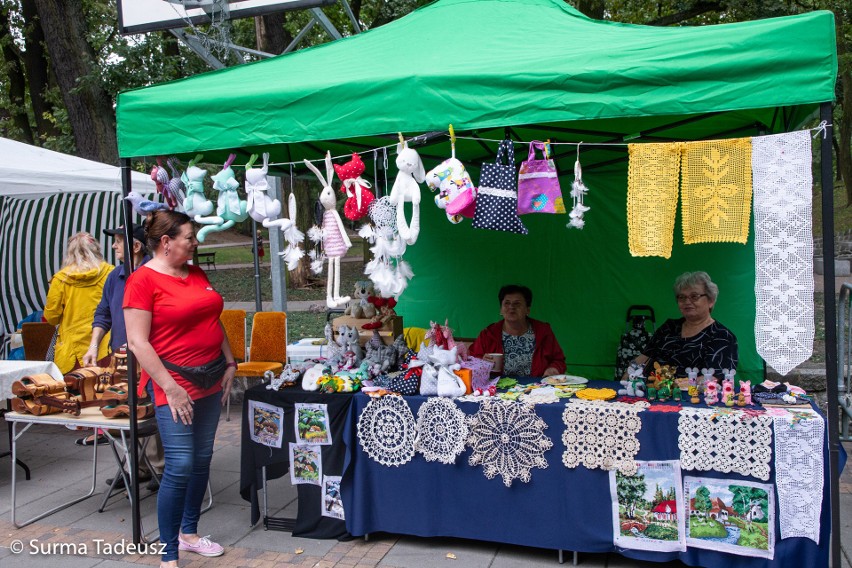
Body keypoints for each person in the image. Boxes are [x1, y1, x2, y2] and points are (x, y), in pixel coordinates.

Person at [124, 211, 236, 568]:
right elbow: (138, 342)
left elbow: (211, 319)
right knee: (181, 464)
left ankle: (189, 534)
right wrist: (170, 389)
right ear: (166, 242)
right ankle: (168, 552)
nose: (195, 242)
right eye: (189, 237)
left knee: (202, 458)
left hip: (210, 376)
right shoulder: (142, 281)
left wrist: (230, 362)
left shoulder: (195, 271)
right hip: (173, 382)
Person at [78, 224, 163, 488]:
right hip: (121, 355)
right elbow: (102, 313)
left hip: (149, 354)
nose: (114, 247)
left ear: (135, 246)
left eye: (117, 242)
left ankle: (159, 468)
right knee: (126, 410)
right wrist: (93, 345)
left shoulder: (154, 273)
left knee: (149, 411)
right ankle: (136, 468)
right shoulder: (114, 277)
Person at [630, 271, 738, 379]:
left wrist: (671, 386)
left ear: (711, 301)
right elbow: (644, 357)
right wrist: (629, 373)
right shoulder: (669, 327)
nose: (687, 301)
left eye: (694, 296)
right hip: (649, 390)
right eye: (681, 297)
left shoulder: (723, 337)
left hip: (692, 394)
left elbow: (712, 379)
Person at [44, 232, 113, 374]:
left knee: (74, 393)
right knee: (106, 391)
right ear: (96, 249)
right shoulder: (111, 273)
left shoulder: (61, 279)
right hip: (105, 346)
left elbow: (51, 317)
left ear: (69, 253)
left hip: (72, 352)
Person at [469, 284, 566, 377]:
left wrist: (553, 369)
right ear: (501, 310)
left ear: (527, 310)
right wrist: (481, 362)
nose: (511, 307)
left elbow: (558, 360)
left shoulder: (543, 331)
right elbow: (470, 360)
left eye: (517, 303)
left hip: (537, 388)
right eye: (507, 303)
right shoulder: (488, 334)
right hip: (497, 389)